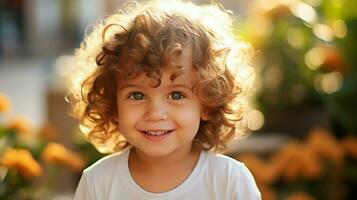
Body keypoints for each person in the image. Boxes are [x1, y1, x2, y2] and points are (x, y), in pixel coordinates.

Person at [69, 0, 261, 199]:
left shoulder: (229, 181)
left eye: (176, 95)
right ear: (113, 105)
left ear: (209, 104)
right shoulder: (98, 182)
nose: (155, 113)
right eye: (137, 95)